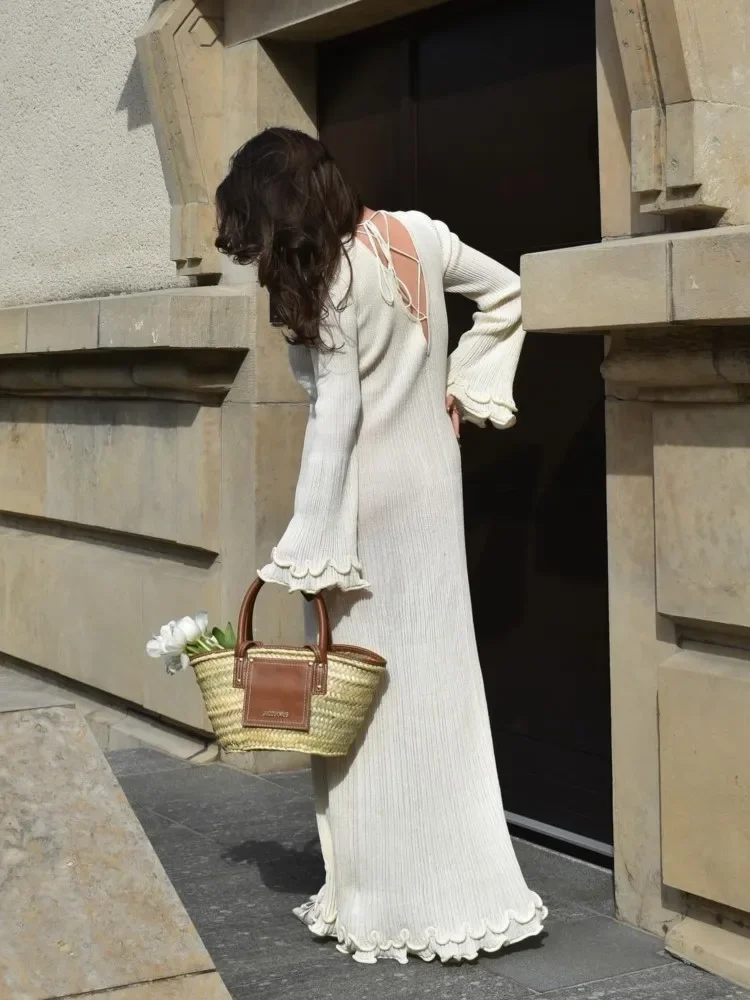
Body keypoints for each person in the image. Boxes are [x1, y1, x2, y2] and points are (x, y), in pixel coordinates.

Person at [215, 126, 546, 965]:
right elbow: (508, 292)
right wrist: (463, 387)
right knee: (438, 684)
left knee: (360, 701)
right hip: (434, 490)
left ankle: (387, 898)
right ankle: (468, 890)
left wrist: (308, 542)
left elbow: (337, 419)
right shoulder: (420, 235)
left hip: (365, 501)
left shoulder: (327, 277)